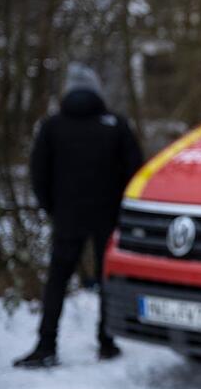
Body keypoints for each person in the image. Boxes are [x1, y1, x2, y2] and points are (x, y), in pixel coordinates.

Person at [13, 63, 143, 368]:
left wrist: (53, 208)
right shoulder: (116, 125)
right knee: (106, 278)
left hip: (67, 216)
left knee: (57, 280)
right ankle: (106, 341)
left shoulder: (52, 126)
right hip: (108, 217)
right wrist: (121, 212)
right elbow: (135, 171)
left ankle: (46, 345)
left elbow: (38, 173)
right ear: (97, 90)